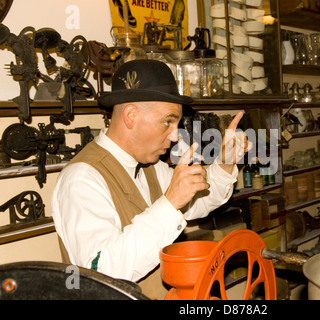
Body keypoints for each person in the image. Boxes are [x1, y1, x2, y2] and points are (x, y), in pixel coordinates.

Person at [51, 59, 252, 299]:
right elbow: (103, 270)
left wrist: (226, 162)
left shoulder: (151, 167)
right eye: (168, 121)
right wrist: (169, 203)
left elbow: (201, 200)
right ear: (131, 115)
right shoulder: (82, 179)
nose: (176, 135)